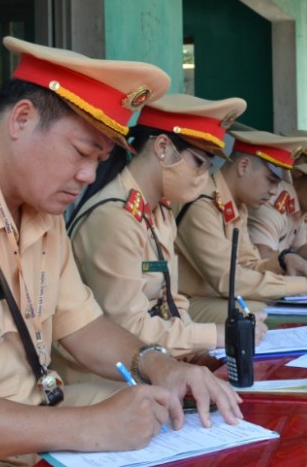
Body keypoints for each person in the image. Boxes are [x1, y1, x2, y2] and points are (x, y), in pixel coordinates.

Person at [0, 37, 242, 466]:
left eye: (101, 158)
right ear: (21, 119)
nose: (88, 175)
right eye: (80, 152)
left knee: (176, 420)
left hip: (26, 419)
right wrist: (90, 427)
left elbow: (83, 326)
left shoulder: (37, 204)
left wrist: (158, 363)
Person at [61, 94, 267, 383]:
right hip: (107, 377)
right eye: (199, 163)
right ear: (162, 147)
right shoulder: (114, 218)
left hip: (152, 363)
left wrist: (195, 352)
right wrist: (215, 335)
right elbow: (127, 329)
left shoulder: (160, 211)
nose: (203, 176)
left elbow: (172, 301)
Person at [174, 129, 307, 324]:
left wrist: (283, 263)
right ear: (243, 166)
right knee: (258, 315)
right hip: (181, 304)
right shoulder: (202, 203)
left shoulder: (236, 205)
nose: (274, 191)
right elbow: (227, 279)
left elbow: (247, 265)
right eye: (271, 180)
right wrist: (304, 285)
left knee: (267, 306)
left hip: (211, 297)